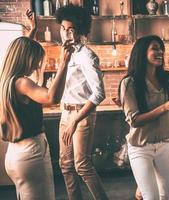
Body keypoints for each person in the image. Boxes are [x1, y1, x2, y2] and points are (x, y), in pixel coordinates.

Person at [0, 36, 73, 199]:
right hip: (30, 153)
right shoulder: (22, 83)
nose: (37, 64)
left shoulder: (5, 82)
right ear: (26, 58)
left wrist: (32, 32)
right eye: (36, 60)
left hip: (13, 155)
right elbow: (51, 98)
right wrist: (64, 63)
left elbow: (36, 85)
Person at [55, 4, 108, 200]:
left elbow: (99, 94)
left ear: (80, 30)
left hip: (81, 114)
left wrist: (75, 120)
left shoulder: (87, 56)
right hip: (65, 112)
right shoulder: (65, 53)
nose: (66, 33)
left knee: (82, 165)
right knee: (65, 166)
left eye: (71, 29)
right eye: (63, 28)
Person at [119, 35, 169, 200]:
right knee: (151, 197)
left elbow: (166, 111)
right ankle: (143, 184)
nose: (160, 52)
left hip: (163, 144)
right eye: (155, 48)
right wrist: (165, 107)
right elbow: (135, 120)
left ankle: (142, 184)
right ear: (141, 53)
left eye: (161, 49)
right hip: (140, 147)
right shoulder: (129, 83)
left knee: (168, 196)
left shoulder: (167, 79)